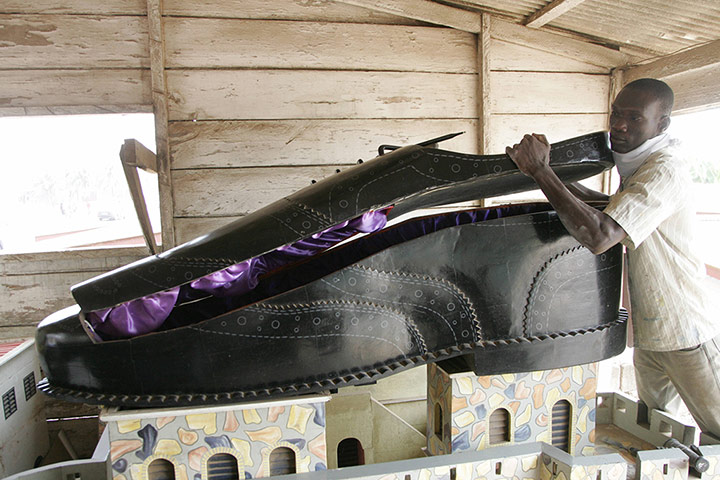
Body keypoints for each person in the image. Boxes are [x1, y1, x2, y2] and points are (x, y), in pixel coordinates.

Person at [505, 78, 720, 440]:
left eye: (635, 118)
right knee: (657, 432)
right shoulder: (638, 167)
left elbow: (600, 235)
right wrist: (544, 172)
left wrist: (542, 172)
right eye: (617, 114)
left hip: (684, 330)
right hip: (652, 332)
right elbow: (604, 209)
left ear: (661, 125)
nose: (619, 125)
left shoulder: (663, 169)